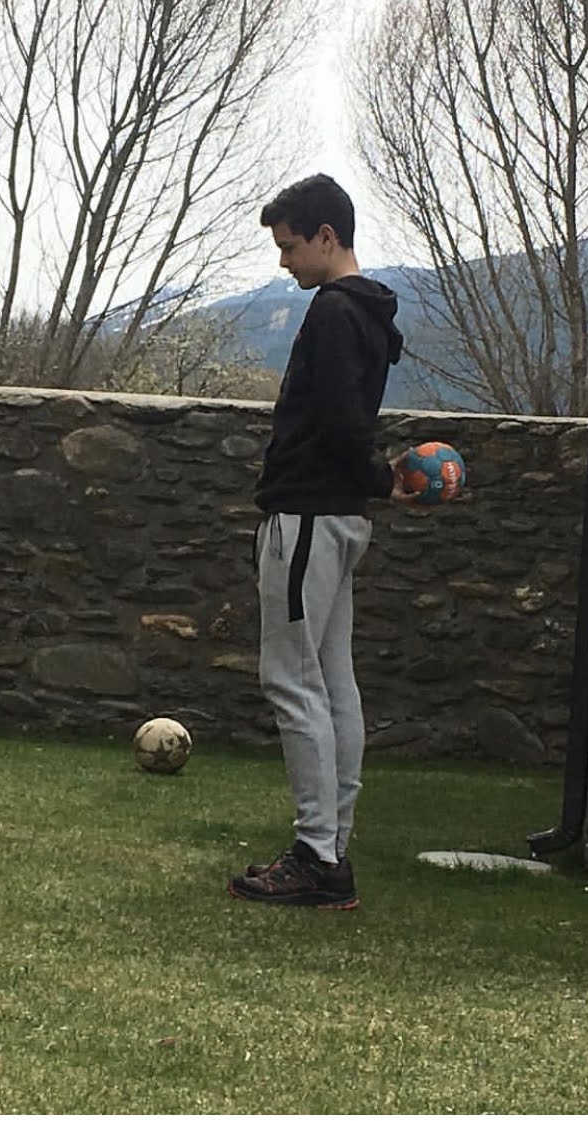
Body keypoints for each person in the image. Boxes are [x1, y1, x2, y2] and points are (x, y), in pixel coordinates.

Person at [227, 173, 411, 910]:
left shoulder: (334, 311)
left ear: (326, 237)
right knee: (332, 680)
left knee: (293, 680)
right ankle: (330, 844)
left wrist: (379, 479)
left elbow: (338, 422)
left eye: (290, 246)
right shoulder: (369, 312)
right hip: (338, 520)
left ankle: (317, 856)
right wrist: (377, 483)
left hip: (307, 517)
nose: (283, 261)